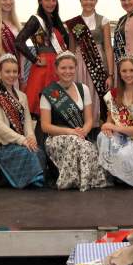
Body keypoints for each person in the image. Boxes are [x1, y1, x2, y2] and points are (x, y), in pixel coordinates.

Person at [39, 51, 110, 191]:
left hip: (80, 135)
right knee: (79, 143)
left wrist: (83, 131)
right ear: (56, 70)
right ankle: (80, 180)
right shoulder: (49, 93)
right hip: (56, 138)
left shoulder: (83, 89)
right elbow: (45, 126)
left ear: (75, 68)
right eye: (63, 68)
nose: (67, 71)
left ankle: (81, 180)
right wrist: (71, 132)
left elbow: (89, 120)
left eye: (71, 68)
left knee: (81, 144)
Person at [0, 54, 46, 188]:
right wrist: (22, 140)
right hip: (1, 146)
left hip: (20, 142)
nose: (11, 75)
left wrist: (30, 137)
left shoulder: (22, 96)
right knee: (28, 153)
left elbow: (27, 121)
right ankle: (30, 181)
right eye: (7, 71)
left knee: (38, 152)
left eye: (14, 71)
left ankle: (33, 180)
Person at [97, 57, 133, 189]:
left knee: (125, 154)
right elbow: (110, 121)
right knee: (102, 137)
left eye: (131, 70)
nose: (128, 74)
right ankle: (112, 175)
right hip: (119, 136)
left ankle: (125, 177)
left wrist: (115, 127)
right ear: (119, 73)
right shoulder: (114, 94)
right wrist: (107, 128)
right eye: (124, 71)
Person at [65, 0, 114, 130]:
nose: (89, 2)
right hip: (80, 63)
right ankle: (82, 126)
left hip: (98, 63)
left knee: (96, 95)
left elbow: (108, 47)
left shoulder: (103, 20)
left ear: (96, 0)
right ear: (80, 0)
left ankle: (96, 126)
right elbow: (71, 49)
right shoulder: (74, 23)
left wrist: (110, 74)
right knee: (81, 94)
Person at [15, 0, 69, 115]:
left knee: (58, 107)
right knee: (39, 105)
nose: (51, 3)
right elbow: (19, 42)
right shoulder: (36, 19)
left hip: (59, 66)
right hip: (44, 67)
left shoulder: (56, 20)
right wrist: (34, 59)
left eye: (54, 0)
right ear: (40, 1)